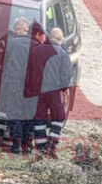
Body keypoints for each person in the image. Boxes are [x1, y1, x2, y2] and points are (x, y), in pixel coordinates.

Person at [30, 26, 73, 159]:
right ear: (60, 40)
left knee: (39, 119)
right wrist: (63, 89)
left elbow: (29, 70)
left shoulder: (35, 50)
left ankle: (40, 150)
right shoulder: (63, 54)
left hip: (37, 91)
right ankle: (52, 147)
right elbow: (66, 75)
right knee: (58, 117)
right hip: (54, 91)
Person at [0, 16, 39, 154]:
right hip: (31, 86)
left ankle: (16, 144)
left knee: (14, 113)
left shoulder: (10, 44)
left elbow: (2, 63)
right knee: (28, 114)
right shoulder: (36, 45)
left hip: (13, 83)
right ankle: (27, 145)